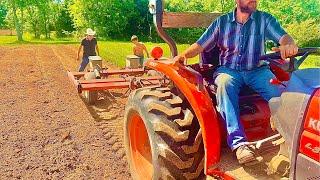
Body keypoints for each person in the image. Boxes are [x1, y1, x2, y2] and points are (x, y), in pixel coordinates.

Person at [173, 0, 298, 164]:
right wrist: (183, 56)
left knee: (281, 93)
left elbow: (283, 37)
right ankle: (239, 144)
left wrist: (288, 44)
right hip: (229, 70)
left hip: (257, 70)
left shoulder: (265, 19)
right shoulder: (221, 22)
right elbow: (200, 44)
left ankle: (290, 137)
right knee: (225, 85)